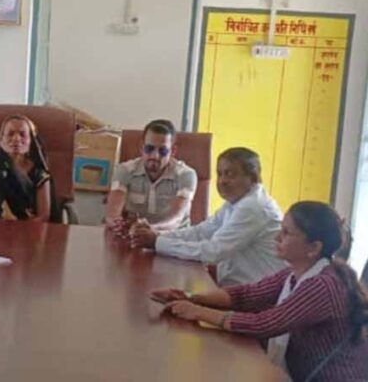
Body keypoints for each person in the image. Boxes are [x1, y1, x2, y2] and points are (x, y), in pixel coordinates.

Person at [154, 201, 368, 381]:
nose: (277, 238)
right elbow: (247, 295)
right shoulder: (295, 273)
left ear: (313, 248)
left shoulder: (323, 285)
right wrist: (192, 298)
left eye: (286, 233)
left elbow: (265, 324)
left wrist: (198, 312)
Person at [131, 147, 285, 286]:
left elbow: (213, 252)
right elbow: (200, 232)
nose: (222, 181)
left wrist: (157, 242)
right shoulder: (237, 202)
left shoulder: (253, 207)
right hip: (234, 288)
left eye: (230, 174)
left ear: (253, 178)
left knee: (162, 291)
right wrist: (157, 235)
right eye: (219, 174)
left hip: (256, 299)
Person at [104, 119, 197, 233]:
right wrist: (117, 225)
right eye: (149, 149)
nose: (155, 156)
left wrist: (151, 229)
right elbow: (113, 213)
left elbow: (177, 219)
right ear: (141, 147)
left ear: (173, 151)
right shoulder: (125, 170)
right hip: (135, 235)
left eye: (163, 151)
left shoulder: (186, 175)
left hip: (173, 237)